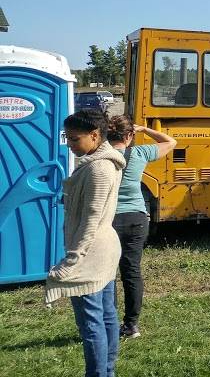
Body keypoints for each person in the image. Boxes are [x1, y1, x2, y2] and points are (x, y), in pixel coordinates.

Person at [45, 110, 126, 377]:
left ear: (95, 135)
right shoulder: (96, 161)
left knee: (93, 323)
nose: (70, 144)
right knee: (105, 315)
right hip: (101, 248)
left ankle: (100, 373)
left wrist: (73, 259)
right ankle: (107, 372)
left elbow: (92, 217)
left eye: (74, 139)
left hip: (91, 252)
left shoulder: (99, 167)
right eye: (67, 138)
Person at [107, 116, 177, 339]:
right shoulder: (140, 153)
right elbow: (170, 142)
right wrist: (145, 128)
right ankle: (131, 325)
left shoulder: (102, 156)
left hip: (109, 220)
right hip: (136, 219)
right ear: (129, 136)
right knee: (131, 272)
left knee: (107, 274)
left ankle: (108, 323)